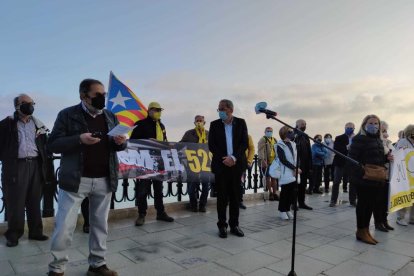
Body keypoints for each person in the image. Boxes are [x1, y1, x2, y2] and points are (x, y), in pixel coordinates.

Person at [47, 79, 127, 276]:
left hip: (104, 178)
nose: (102, 99)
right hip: (76, 180)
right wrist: (78, 139)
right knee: (64, 226)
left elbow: (118, 147)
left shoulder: (110, 115)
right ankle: (57, 268)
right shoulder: (67, 114)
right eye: (96, 95)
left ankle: (97, 264)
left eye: (104, 95)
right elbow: (53, 144)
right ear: (83, 96)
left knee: (100, 225)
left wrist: (120, 142)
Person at [0, 94, 52, 247]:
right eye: (26, 103)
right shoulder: (6, 124)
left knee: (34, 200)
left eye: (32, 103)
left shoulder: (38, 124)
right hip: (17, 166)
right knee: (15, 201)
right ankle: (13, 235)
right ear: (17, 105)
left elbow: (45, 145)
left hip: (36, 165)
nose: (30, 106)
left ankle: (36, 232)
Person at [348, 114, 393, 245]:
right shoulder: (359, 139)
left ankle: (366, 230)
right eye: (371, 123)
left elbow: (378, 158)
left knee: (370, 206)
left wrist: (387, 158)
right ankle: (361, 231)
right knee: (363, 205)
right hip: (364, 179)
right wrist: (362, 172)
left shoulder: (378, 140)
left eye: (376, 124)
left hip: (376, 178)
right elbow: (352, 159)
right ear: (364, 125)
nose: (373, 126)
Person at [208, 99, 248, 238]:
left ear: (230, 109)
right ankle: (222, 225)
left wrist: (234, 158)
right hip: (221, 166)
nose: (220, 111)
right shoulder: (214, 125)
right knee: (222, 198)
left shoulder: (241, 123)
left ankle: (234, 225)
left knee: (235, 197)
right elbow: (212, 145)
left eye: (222, 109)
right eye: (218, 109)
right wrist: (225, 159)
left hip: (236, 166)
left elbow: (244, 144)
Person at [130, 102, 174, 226]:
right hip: (144, 162)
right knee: (142, 190)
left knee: (158, 189)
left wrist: (167, 145)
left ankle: (160, 213)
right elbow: (133, 142)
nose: (158, 112)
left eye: (160, 110)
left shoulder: (161, 125)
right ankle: (141, 215)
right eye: (155, 110)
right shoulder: (140, 124)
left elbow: (164, 141)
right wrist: (148, 142)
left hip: (159, 162)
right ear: (149, 110)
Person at [180, 115, 210, 212]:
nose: (199, 122)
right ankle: (193, 205)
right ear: (194, 122)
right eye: (197, 121)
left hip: (205, 164)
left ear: (204, 122)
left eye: (201, 120)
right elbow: (180, 144)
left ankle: (202, 205)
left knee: (206, 186)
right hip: (192, 164)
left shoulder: (209, 134)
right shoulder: (189, 134)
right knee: (191, 187)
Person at [373, 121, 394, 232]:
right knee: (378, 200)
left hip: (388, 175)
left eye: (386, 130)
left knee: (386, 199)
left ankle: (384, 220)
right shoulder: (376, 142)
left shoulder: (388, 142)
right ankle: (378, 222)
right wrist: (387, 158)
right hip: (379, 174)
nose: (385, 133)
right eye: (383, 130)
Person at [276, 126, 301, 220]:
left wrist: (297, 167)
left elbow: (296, 157)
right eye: (290, 131)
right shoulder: (279, 145)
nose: (292, 133)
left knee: (292, 193)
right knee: (285, 192)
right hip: (286, 171)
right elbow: (283, 160)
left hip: (294, 172)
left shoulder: (293, 144)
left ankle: (287, 209)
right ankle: (282, 210)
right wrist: (294, 168)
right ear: (285, 133)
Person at [330, 122, 355, 207]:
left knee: (352, 182)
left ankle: (352, 201)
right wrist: (347, 147)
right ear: (344, 128)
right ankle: (333, 200)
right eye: (347, 127)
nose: (349, 129)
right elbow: (336, 149)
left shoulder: (357, 138)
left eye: (351, 128)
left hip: (352, 163)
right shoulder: (339, 137)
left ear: (354, 129)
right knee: (336, 181)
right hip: (340, 162)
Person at [394, 124, 414, 226]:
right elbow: (402, 156)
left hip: (412, 174)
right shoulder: (403, 142)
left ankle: (412, 218)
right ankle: (400, 217)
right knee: (404, 196)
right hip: (404, 173)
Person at [294, 119, 313, 210]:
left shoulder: (305, 136)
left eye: (305, 124)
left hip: (305, 165)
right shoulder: (293, 134)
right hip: (296, 165)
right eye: (302, 124)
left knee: (303, 185)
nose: (304, 125)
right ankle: (293, 203)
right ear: (297, 125)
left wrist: (310, 165)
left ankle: (302, 202)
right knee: (295, 186)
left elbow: (309, 151)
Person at [257, 127, 278, 200]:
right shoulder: (263, 139)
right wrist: (263, 160)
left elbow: (277, 150)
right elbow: (260, 151)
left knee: (274, 178)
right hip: (266, 162)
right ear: (265, 132)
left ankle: (275, 193)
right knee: (268, 178)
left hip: (274, 162)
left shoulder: (274, 139)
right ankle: (270, 193)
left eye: (271, 131)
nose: (269, 132)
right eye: (268, 131)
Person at [240, 134, 255, 209]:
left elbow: (251, 148)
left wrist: (249, 161)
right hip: (229, 163)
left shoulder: (247, 136)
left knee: (241, 183)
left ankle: (240, 201)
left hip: (242, 163)